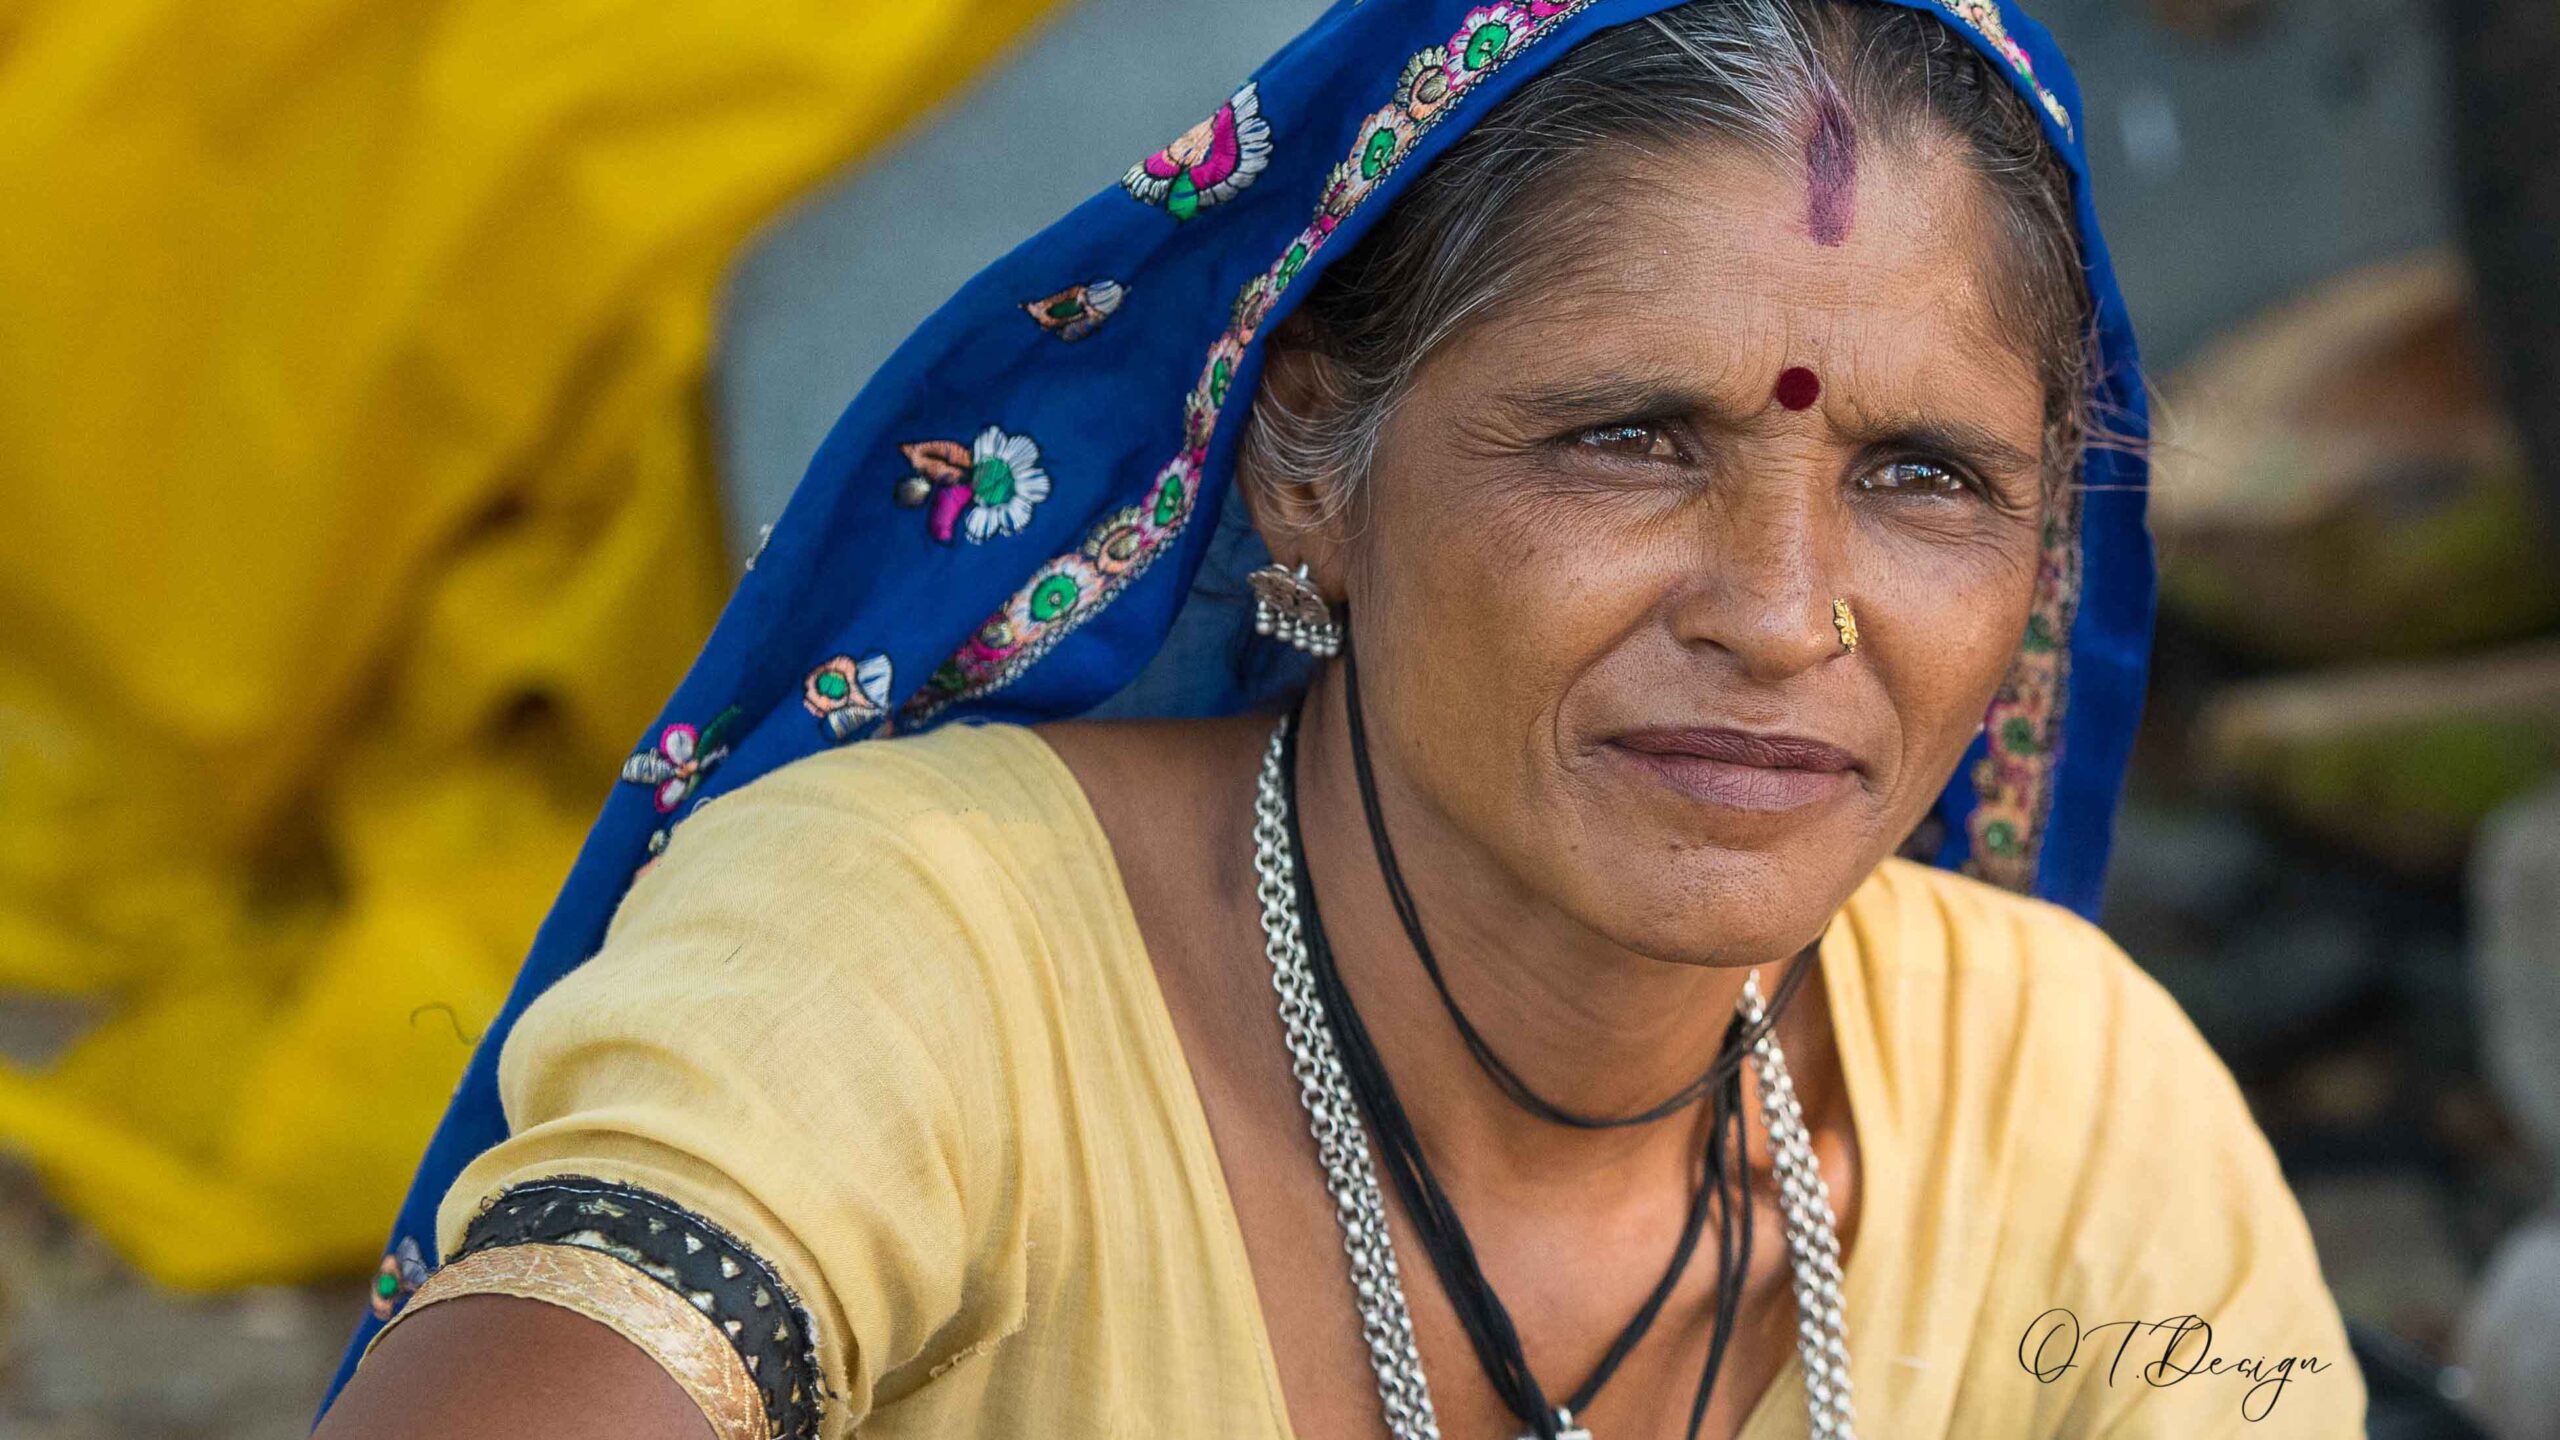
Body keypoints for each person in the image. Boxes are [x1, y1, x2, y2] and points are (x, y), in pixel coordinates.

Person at [314, 1, 2368, 1436]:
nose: (1776, 612)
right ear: (1305, 461)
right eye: (1628, 439)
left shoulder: (2069, 1103)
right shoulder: (920, 952)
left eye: (1922, 474)